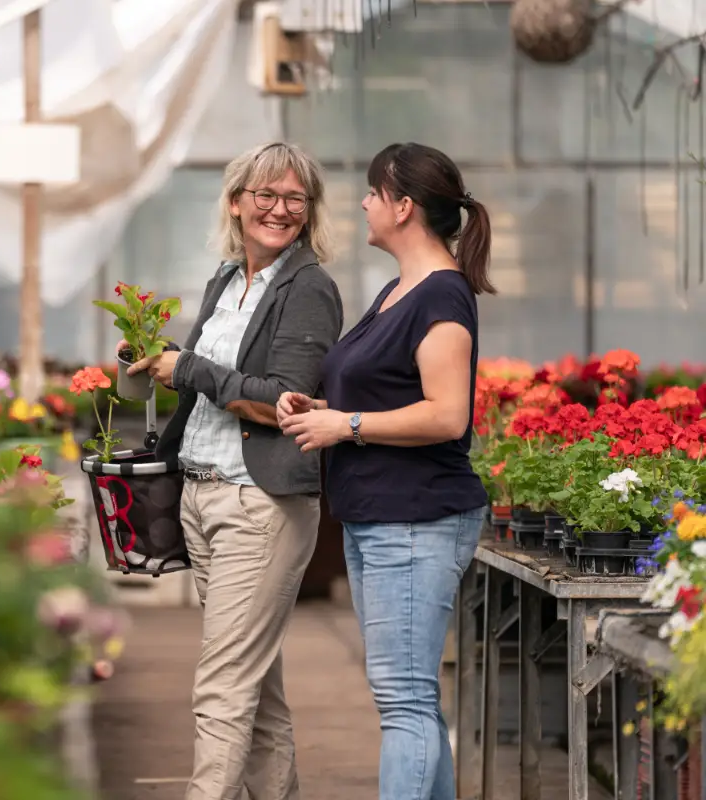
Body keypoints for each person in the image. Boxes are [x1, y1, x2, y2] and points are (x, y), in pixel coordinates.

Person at [126, 142, 344, 800]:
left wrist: (187, 367)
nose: (279, 210)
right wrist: (160, 366)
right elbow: (204, 385)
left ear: (309, 213)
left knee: (221, 690)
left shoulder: (309, 288)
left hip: (261, 507)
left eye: (294, 200)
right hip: (203, 499)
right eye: (265, 195)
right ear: (235, 201)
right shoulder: (227, 280)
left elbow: (286, 401)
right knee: (256, 692)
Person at [276, 142, 493, 800]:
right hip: (380, 517)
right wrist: (323, 408)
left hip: (417, 518)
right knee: (411, 701)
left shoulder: (442, 297)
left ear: (403, 206)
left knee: (403, 703)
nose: (364, 203)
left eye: (375, 192)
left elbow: (448, 415)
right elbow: (390, 391)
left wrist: (346, 426)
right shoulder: (398, 291)